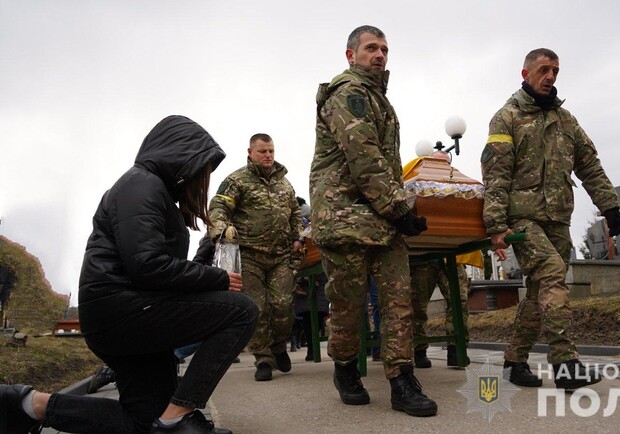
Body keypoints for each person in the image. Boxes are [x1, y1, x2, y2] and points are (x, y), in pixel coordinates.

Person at [0, 115, 259, 434]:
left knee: (142, 423)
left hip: (127, 314)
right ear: (181, 156)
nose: (201, 177)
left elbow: (158, 269)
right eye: (200, 167)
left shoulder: (155, 191)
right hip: (124, 313)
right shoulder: (141, 184)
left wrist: (202, 271)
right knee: (242, 311)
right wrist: (218, 280)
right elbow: (147, 265)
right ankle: (178, 418)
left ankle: (26, 404)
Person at [309, 25, 437, 417]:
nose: (379, 55)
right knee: (348, 303)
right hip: (346, 214)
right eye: (370, 48)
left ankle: (401, 380)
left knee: (398, 298)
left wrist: (395, 210)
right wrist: (401, 209)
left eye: (384, 49)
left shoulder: (379, 99)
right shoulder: (348, 93)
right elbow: (363, 158)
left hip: (381, 215)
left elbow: (381, 165)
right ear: (351, 55)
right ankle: (345, 368)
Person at [482, 48, 620, 390]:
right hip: (523, 217)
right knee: (553, 273)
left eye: (555, 71)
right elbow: (496, 174)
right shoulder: (506, 118)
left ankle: (515, 362)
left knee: (540, 290)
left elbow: (589, 164)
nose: (550, 77)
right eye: (544, 70)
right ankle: (566, 364)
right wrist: (496, 225)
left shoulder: (566, 120)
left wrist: (612, 207)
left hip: (558, 217)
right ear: (525, 74)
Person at [207, 133, 303, 382]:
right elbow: (218, 208)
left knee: (283, 305)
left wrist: (297, 236)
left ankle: (280, 346)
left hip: (281, 256)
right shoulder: (237, 180)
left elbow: (295, 213)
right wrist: (221, 232)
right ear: (250, 152)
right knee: (257, 309)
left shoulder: (285, 184)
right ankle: (263, 359)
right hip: (249, 256)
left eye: (271, 150)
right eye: (262, 151)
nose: (268, 155)